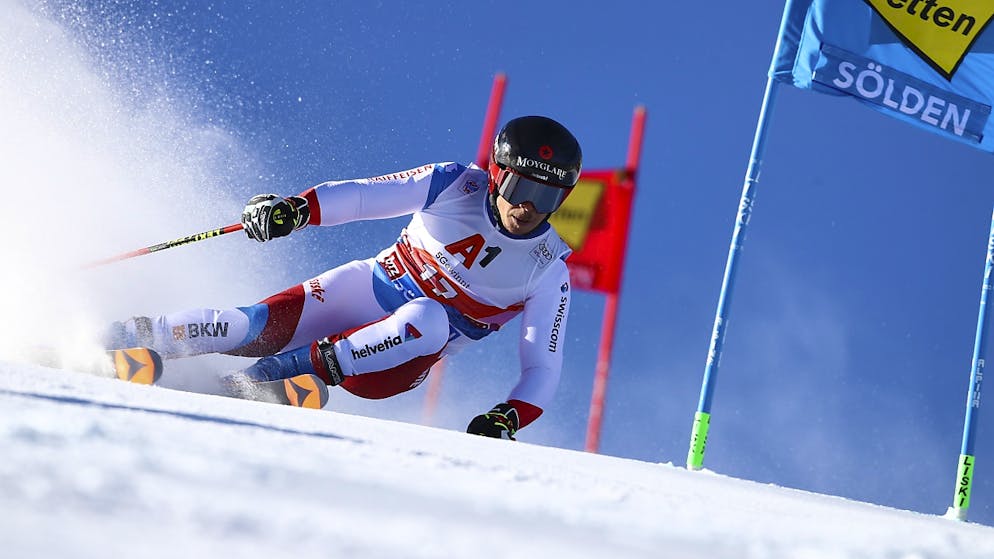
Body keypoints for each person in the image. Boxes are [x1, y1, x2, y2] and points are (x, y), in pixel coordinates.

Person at [105, 115, 582, 440]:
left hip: (389, 363)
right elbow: (360, 198)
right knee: (247, 327)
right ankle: (121, 337)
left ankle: (257, 381)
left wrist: (508, 416)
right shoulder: (454, 184)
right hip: (368, 288)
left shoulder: (547, 268)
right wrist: (295, 210)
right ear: (498, 174)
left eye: (549, 198)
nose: (529, 208)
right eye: (523, 187)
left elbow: (542, 368)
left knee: (431, 319)